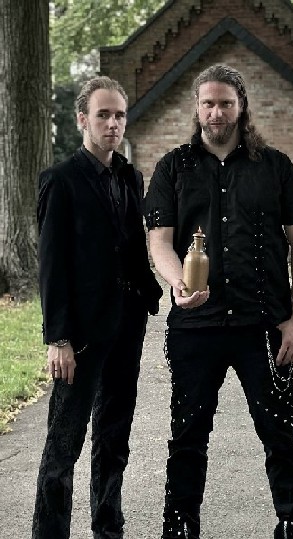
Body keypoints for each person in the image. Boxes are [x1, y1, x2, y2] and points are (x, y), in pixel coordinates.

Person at [144, 64, 293, 539]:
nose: (216, 112)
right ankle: (179, 528)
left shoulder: (275, 166)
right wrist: (178, 282)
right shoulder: (172, 167)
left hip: (263, 324)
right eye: (208, 103)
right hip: (194, 327)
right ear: (197, 108)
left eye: (225, 103)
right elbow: (159, 241)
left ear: (241, 106)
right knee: (187, 436)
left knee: (281, 432)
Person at [32, 76, 163, 539]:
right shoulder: (60, 181)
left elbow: (132, 247)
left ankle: (109, 529)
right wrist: (58, 338)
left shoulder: (130, 176)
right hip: (81, 334)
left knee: (114, 438)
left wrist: (152, 292)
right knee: (63, 445)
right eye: (103, 115)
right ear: (82, 120)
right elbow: (52, 267)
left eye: (119, 115)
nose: (112, 124)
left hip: (126, 325)